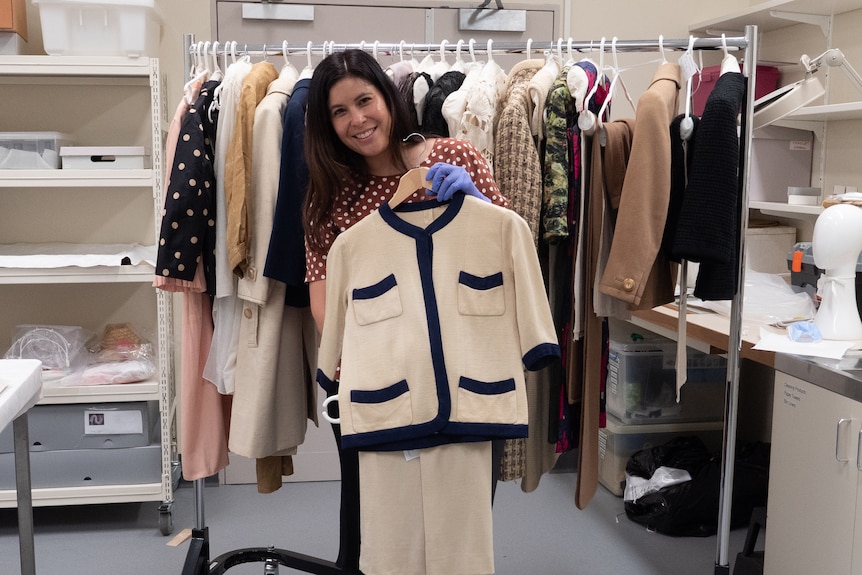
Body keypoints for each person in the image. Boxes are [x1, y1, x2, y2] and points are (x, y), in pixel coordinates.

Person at [301, 49, 509, 574]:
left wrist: (478, 205)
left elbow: (506, 255)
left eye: (364, 101)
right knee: (369, 530)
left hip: (459, 376)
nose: (357, 120)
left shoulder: (455, 160)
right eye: (339, 112)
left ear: (388, 98)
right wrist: (392, 352)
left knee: (458, 529)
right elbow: (326, 309)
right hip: (373, 385)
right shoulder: (329, 199)